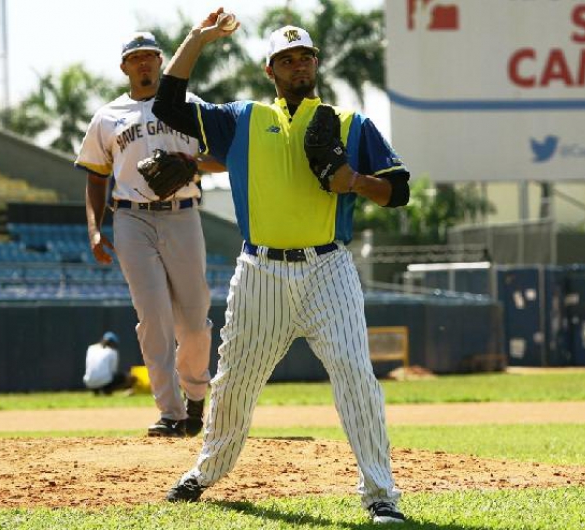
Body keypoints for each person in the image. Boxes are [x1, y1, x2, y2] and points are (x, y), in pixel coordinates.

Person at [152, 11, 410, 524]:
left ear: (316, 63)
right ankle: (205, 471)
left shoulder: (349, 124)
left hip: (328, 268)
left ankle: (381, 493)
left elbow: (398, 190)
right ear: (270, 70)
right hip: (260, 271)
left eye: (304, 58)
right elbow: (168, 103)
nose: (297, 66)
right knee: (235, 382)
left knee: (355, 374)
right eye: (285, 60)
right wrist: (200, 38)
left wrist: (354, 181)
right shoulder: (240, 120)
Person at [75, 31, 215, 438]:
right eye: (135, 58)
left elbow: (224, 155)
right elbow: (96, 177)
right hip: (131, 218)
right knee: (152, 318)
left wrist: (192, 165)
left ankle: (194, 399)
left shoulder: (189, 106)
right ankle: (170, 412)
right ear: (124, 67)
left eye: (150, 56)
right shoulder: (108, 116)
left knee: (193, 320)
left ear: (162, 61)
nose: (144, 63)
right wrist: (94, 230)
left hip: (183, 214)